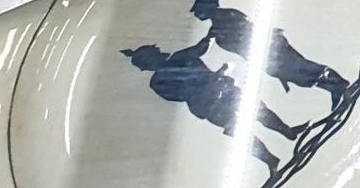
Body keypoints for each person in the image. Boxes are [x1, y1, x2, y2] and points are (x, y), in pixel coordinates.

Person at [121, 40, 293, 172]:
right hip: (208, 104)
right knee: (241, 130)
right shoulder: (159, 81)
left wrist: (212, 35)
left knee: (257, 110)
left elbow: (201, 47)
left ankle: (287, 131)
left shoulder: (179, 58)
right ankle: (270, 159)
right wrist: (207, 84)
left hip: (221, 89)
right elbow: (181, 95)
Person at [191, 0, 352, 102]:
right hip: (265, 59)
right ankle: (334, 88)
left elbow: (251, 30)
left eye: (199, 10)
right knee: (300, 78)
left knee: (305, 68)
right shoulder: (215, 32)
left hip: (271, 48)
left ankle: (340, 84)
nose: (197, 14)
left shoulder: (228, 16)